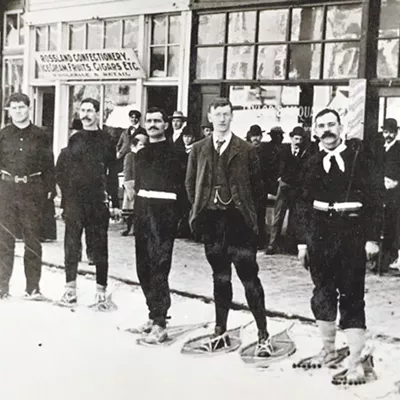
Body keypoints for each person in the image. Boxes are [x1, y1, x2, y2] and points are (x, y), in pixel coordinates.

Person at [294, 108, 380, 385]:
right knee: (322, 293)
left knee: (352, 295)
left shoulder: (360, 158)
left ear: (341, 127)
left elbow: (377, 201)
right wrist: (302, 243)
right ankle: (329, 350)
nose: (327, 130)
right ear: (315, 131)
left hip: (352, 234)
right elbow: (302, 204)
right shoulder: (310, 161)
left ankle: (357, 360)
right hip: (319, 236)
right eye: (321, 126)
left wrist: (372, 239)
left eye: (332, 124)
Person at [186, 97, 273, 356]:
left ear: (231, 117)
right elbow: (191, 185)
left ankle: (263, 334)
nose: (222, 119)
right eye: (218, 114)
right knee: (220, 277)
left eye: (226, 114)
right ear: (210, 118)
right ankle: (220, 330)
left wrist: (247, 215)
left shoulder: (246, 149)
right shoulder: (199, 149)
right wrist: (202, 209)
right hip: (212, 223)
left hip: (239, 224)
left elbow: (258, 189)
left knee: (249, 278)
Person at [55, 98, 119, 308]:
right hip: (74, 201)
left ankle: (101, 290)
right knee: (71, 244)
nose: (86, 114)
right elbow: (63, 172)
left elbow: (112, 174)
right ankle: (70, 288)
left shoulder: (107, 140)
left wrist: (114, 201)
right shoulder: (75, 139)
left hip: (96, 200)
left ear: (98, 113)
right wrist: (65, 199)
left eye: (90, 111)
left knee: (99, 245)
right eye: (82, 110)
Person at [133, 107, 184, 344]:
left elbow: (183, 188)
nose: (153, 124)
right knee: (143, 266)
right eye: (149, 121)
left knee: (159, 266)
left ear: (166, 125)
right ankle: (153, 314)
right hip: (143, 211)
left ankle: (161, 323)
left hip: (164, 214)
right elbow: (138, 186)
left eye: (158, 121)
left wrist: (177, 217)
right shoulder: (141, 154)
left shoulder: (176, 152)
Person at [0, 93, 55, 300]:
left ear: (29, 108)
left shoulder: (41, 135)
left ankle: (33, 288)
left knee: (33, 240)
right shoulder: (3, 134)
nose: (18, 111)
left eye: (21, 107)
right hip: (6, 191)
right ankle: (2, 287)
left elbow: (49, 164)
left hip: (32, 191)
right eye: (13, 108)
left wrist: (50, 188)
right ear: (9, 111)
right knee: (4, 240)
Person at [266, 126, 311, 255]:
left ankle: (289, 246)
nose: (297, 141)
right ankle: (272, 245)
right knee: (278, 216)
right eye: (296, 138)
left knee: (294, 217)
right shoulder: (283, 150)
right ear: (291, 138)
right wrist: (279, 179)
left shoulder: (304, 153)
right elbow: (275, 166)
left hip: (296, 188)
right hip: (284, 185)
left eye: (300, 139)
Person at [375, 118, 400, 273]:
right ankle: (378, 259)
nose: (388, 135)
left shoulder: (399, 149)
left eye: (391, 132)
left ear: (396, 133)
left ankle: (392, 257)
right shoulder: (378, 148)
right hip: (380, 193)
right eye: (386, 132)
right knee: (379, 224)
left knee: (393, 225)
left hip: (395, 195)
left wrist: (397, 183)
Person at [121, 133, 148, 236]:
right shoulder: (130, 156)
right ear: (134, 146)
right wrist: (129, 186)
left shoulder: (142, 156)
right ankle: (129, 228)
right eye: (140, 145)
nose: (143, 147)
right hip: (131, 185)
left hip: (141, 185)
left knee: (139, 210)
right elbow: (127, 171)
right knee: (130, 208)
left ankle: (137, 229)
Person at [246, 124, 269, 249]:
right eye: (253, 136)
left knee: (260, 215)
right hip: (248, 188)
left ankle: (260, 241)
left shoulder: (265, 152)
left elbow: (269, 170)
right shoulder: (245, 150)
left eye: (258, 136)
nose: (255, 138)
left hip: (261, 188)